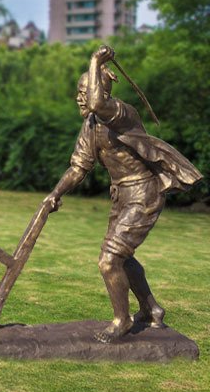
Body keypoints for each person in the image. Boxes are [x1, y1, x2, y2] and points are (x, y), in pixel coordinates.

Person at [45, 45, 203, 343]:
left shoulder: (120, 113)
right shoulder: (91, 126)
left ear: (102, 91)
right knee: (122, 257)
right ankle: (152, 310)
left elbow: (95, 102)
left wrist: (95, 60)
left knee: (109, 260)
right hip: (121, 195)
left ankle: (122, 320)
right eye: (78, 92)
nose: (80, 98)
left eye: (85, 90)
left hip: (144, 192)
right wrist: (55, 194)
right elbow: (79, 167)